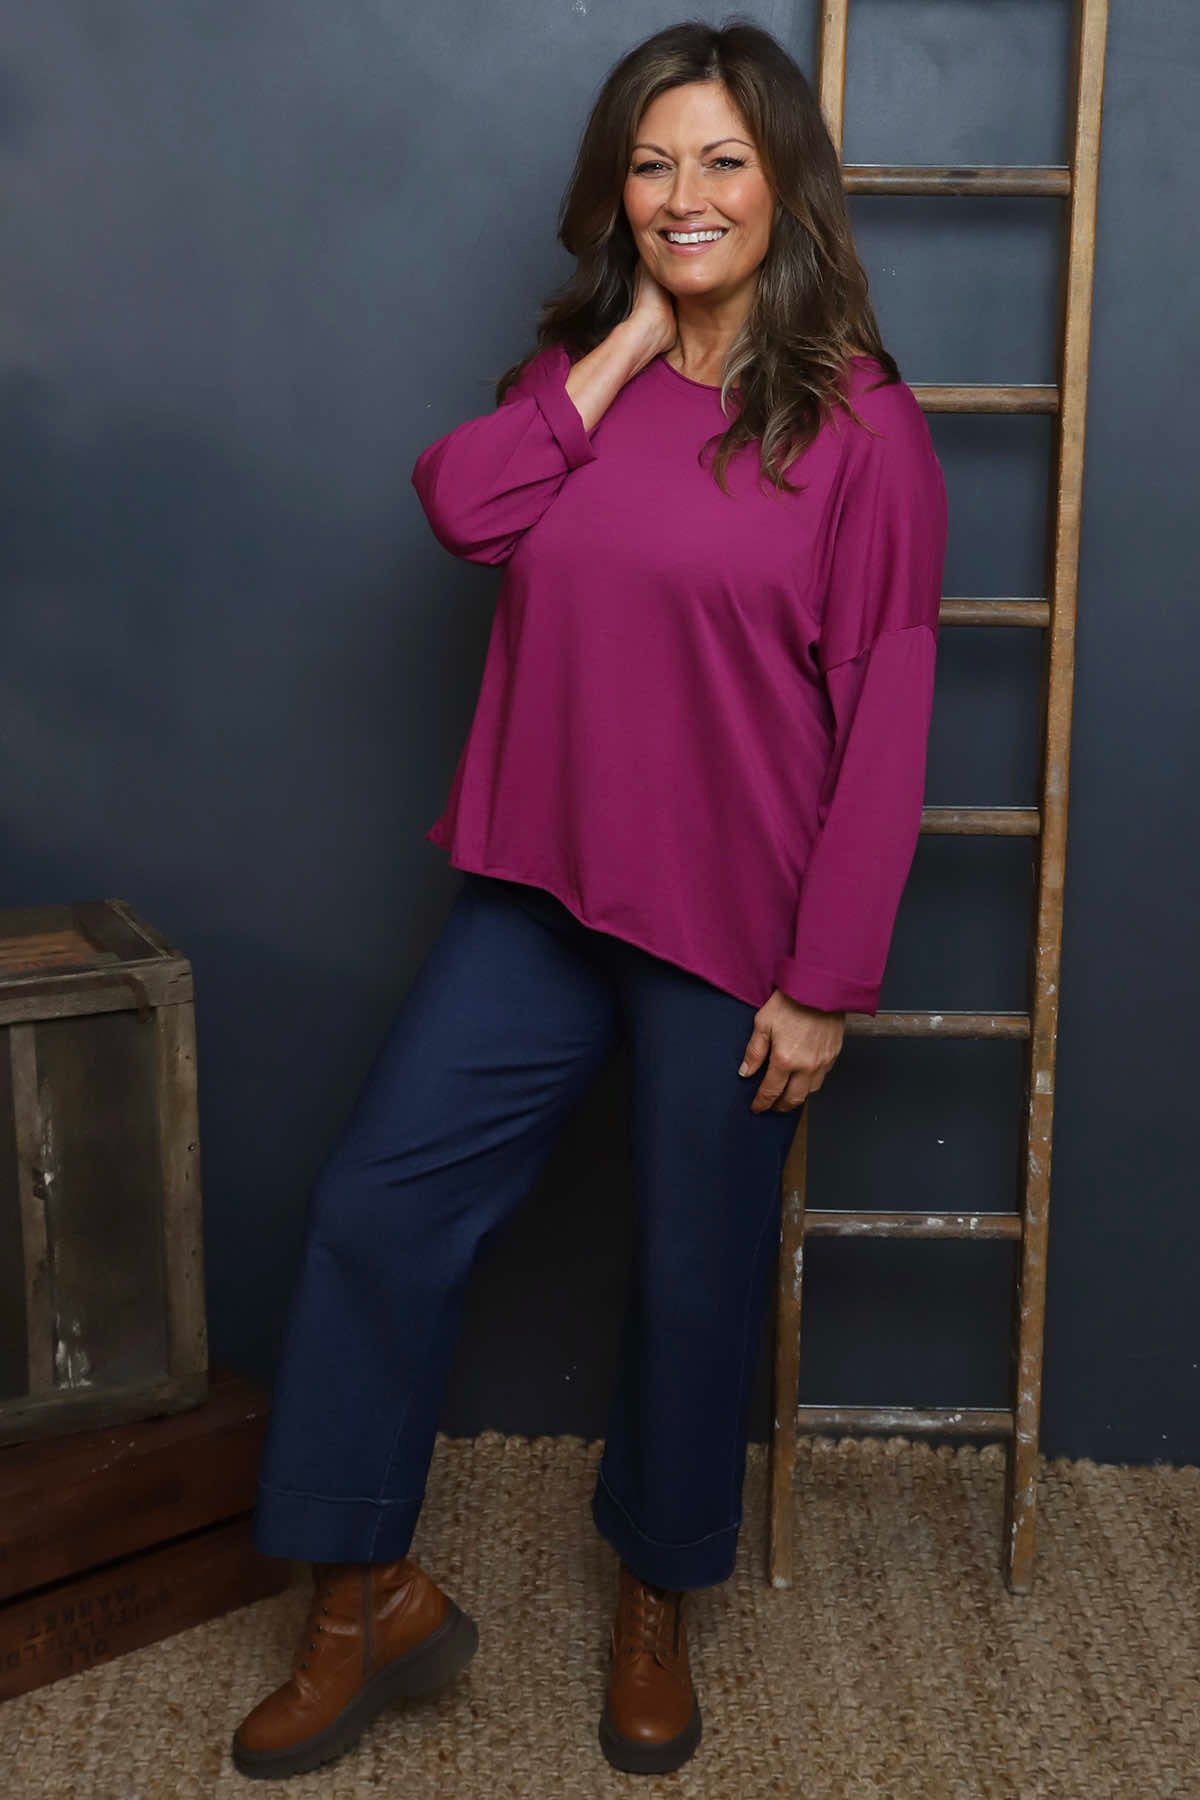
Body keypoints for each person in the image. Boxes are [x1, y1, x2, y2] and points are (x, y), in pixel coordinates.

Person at [231, 15, 948, 1783]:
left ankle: (656, 1594)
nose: (685, 195)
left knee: (695, 1280)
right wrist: (631, 340)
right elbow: (462, 509)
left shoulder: (864, 430)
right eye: (650, 164)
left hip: (734, 931)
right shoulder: (574, 383)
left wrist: (826, 979)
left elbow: (889, 717)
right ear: (614, 191)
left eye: (722, 162)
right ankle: (358, 1597)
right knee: (375, 1209)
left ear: (785, 186)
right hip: (537, 895)